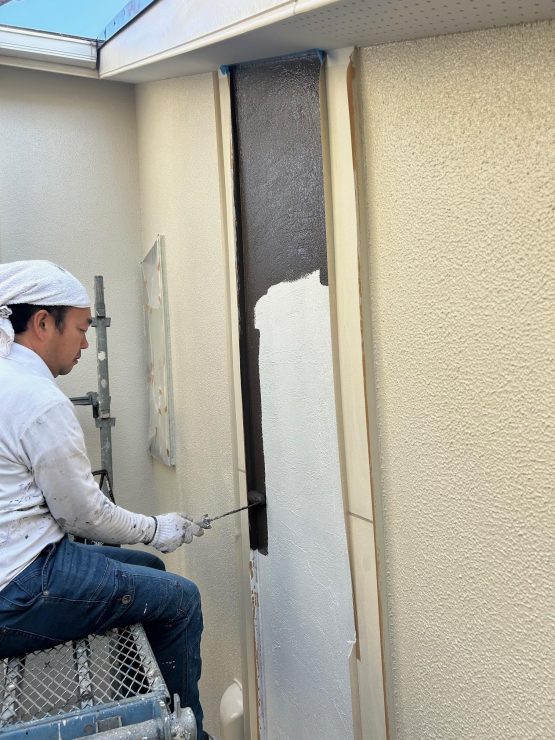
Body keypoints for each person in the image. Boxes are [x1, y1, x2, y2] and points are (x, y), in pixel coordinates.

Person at [0, 260, 211, 738]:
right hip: (19, 586)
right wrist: (158, 528)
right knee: (182, 599)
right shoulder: (37, 399)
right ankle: (187, 732)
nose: (85, 343)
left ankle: (135, 702)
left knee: (150, 571)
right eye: (80, 329)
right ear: (42, 323)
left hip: (23, 560)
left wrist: (151, 539)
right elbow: (83, 515)